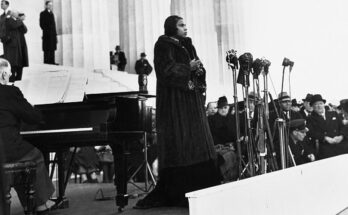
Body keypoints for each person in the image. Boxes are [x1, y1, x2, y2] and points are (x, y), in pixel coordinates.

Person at [134, 15, 220, 209]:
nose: (185, 28)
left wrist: (199, 70)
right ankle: (180, 192)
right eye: (181, 25)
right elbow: (165, 71)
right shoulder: (163, 45)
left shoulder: (187, 44)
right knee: (181, 142)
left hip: (192, 102)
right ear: (172, 28)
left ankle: (204, 186)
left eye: (185, 25)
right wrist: (187, 68)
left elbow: (198, 65)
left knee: (196, 140)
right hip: (175, 104)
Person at [0, 58, 55, 213]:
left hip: (5, 148)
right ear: (4, 74)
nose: (10, 76)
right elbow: (33, 117)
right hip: (5, 149)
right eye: (9, 74)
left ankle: (28, 203)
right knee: (34, 155)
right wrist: (35, 109)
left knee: (20, 158)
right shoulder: (9, 92)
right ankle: (39, 204)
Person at [307, 94, 348, 159]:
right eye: (316, 104)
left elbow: (342, 127)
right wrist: (325, 138)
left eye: (320, 103)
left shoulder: (333, 113)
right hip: (325, 148)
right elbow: (312, 133)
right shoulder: (310, 119)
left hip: (340, 145)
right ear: (312, 106)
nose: (319, 106)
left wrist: (341, 136)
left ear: (324, 104)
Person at [3, 10, 28, 82]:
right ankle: (12, 78)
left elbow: (25, 30)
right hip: (12, 44)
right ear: (13, 14)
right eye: (17, 13)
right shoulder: (9, 20)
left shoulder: (17, 21)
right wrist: (20, 20)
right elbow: (14, 25)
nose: (18, 15)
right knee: (13, 62)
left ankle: (18, 77)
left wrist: (21, 22)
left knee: (19, 61)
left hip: (19, 44)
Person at [40, 1, 57, 65]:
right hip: (47, 35)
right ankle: (47, 62)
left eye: (51, 5)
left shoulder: (52, 14)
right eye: (49, 5)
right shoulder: (43, 13)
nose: (50, 6)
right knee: (47, 49)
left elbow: (54, 25)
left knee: (52, 48)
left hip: (52, 35)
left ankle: (52, 61)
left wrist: (55, 34)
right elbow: (41, 24)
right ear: (46, 5)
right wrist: (47, 30)